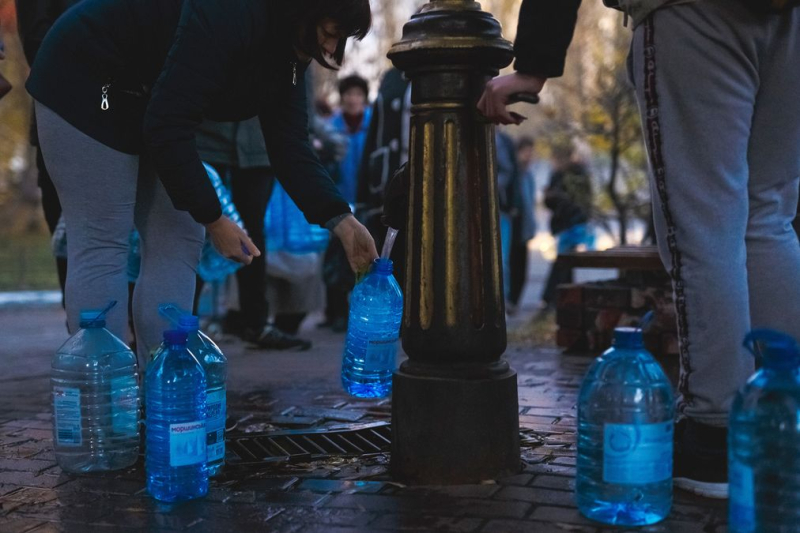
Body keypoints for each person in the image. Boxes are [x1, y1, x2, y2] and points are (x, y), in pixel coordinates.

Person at [479, 0, 800, 499]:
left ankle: (714, 437)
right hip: (788, 20)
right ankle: (782, 420)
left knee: (707, 227)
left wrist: (534, 63)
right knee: (768, 221)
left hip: (692, 14)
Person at [26, 0, 378, 362]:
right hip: (85, 73)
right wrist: (214, 218)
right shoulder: (232, 13)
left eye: (341, 39)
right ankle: (101, 396)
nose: (331, 49)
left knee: (179, 234)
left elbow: (291, 148)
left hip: (148, 96)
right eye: (330, 33)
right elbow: (169, 125)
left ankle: (166, 382)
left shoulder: (289, 52)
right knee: (103, 239)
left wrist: (342, 221)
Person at [195, 118, 312, 350]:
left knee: (253, 232)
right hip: (205, 141)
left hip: (258, 147)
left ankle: (256, 323)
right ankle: (181, 322)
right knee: (195, 229)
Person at [15, 0, 81, 307]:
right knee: (68, 232)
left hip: (123, 112)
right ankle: (85, 329)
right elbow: (37, 41)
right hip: (63, 110)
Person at [322, 74, 372, 332]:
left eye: (358, 95)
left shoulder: (374, 124)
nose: (353, 99)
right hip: (337, 202)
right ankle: (335, 313)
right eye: (349, 94)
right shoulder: (330, 127)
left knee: (365, 254)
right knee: (335, 256)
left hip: (367, 202)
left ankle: (363, 312)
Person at [539, 140, 594, 311]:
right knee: (566, 263)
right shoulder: (575, 174)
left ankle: (552, 298)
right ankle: (563, 299)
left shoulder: (567, 175)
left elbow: (562, 202)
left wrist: (553, 197)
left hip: (569, 224)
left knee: (563, 262)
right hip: (572, 223)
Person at [506, 136, 538, 314]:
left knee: (521, 267)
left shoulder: (529, 175)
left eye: (531, 152)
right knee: (510, 263)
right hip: (514, 222)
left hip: (524, 226)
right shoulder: (514, 174)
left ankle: (514, 302)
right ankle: (509, 301)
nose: (529, 155)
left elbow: (530, 203)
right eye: (526, 152)